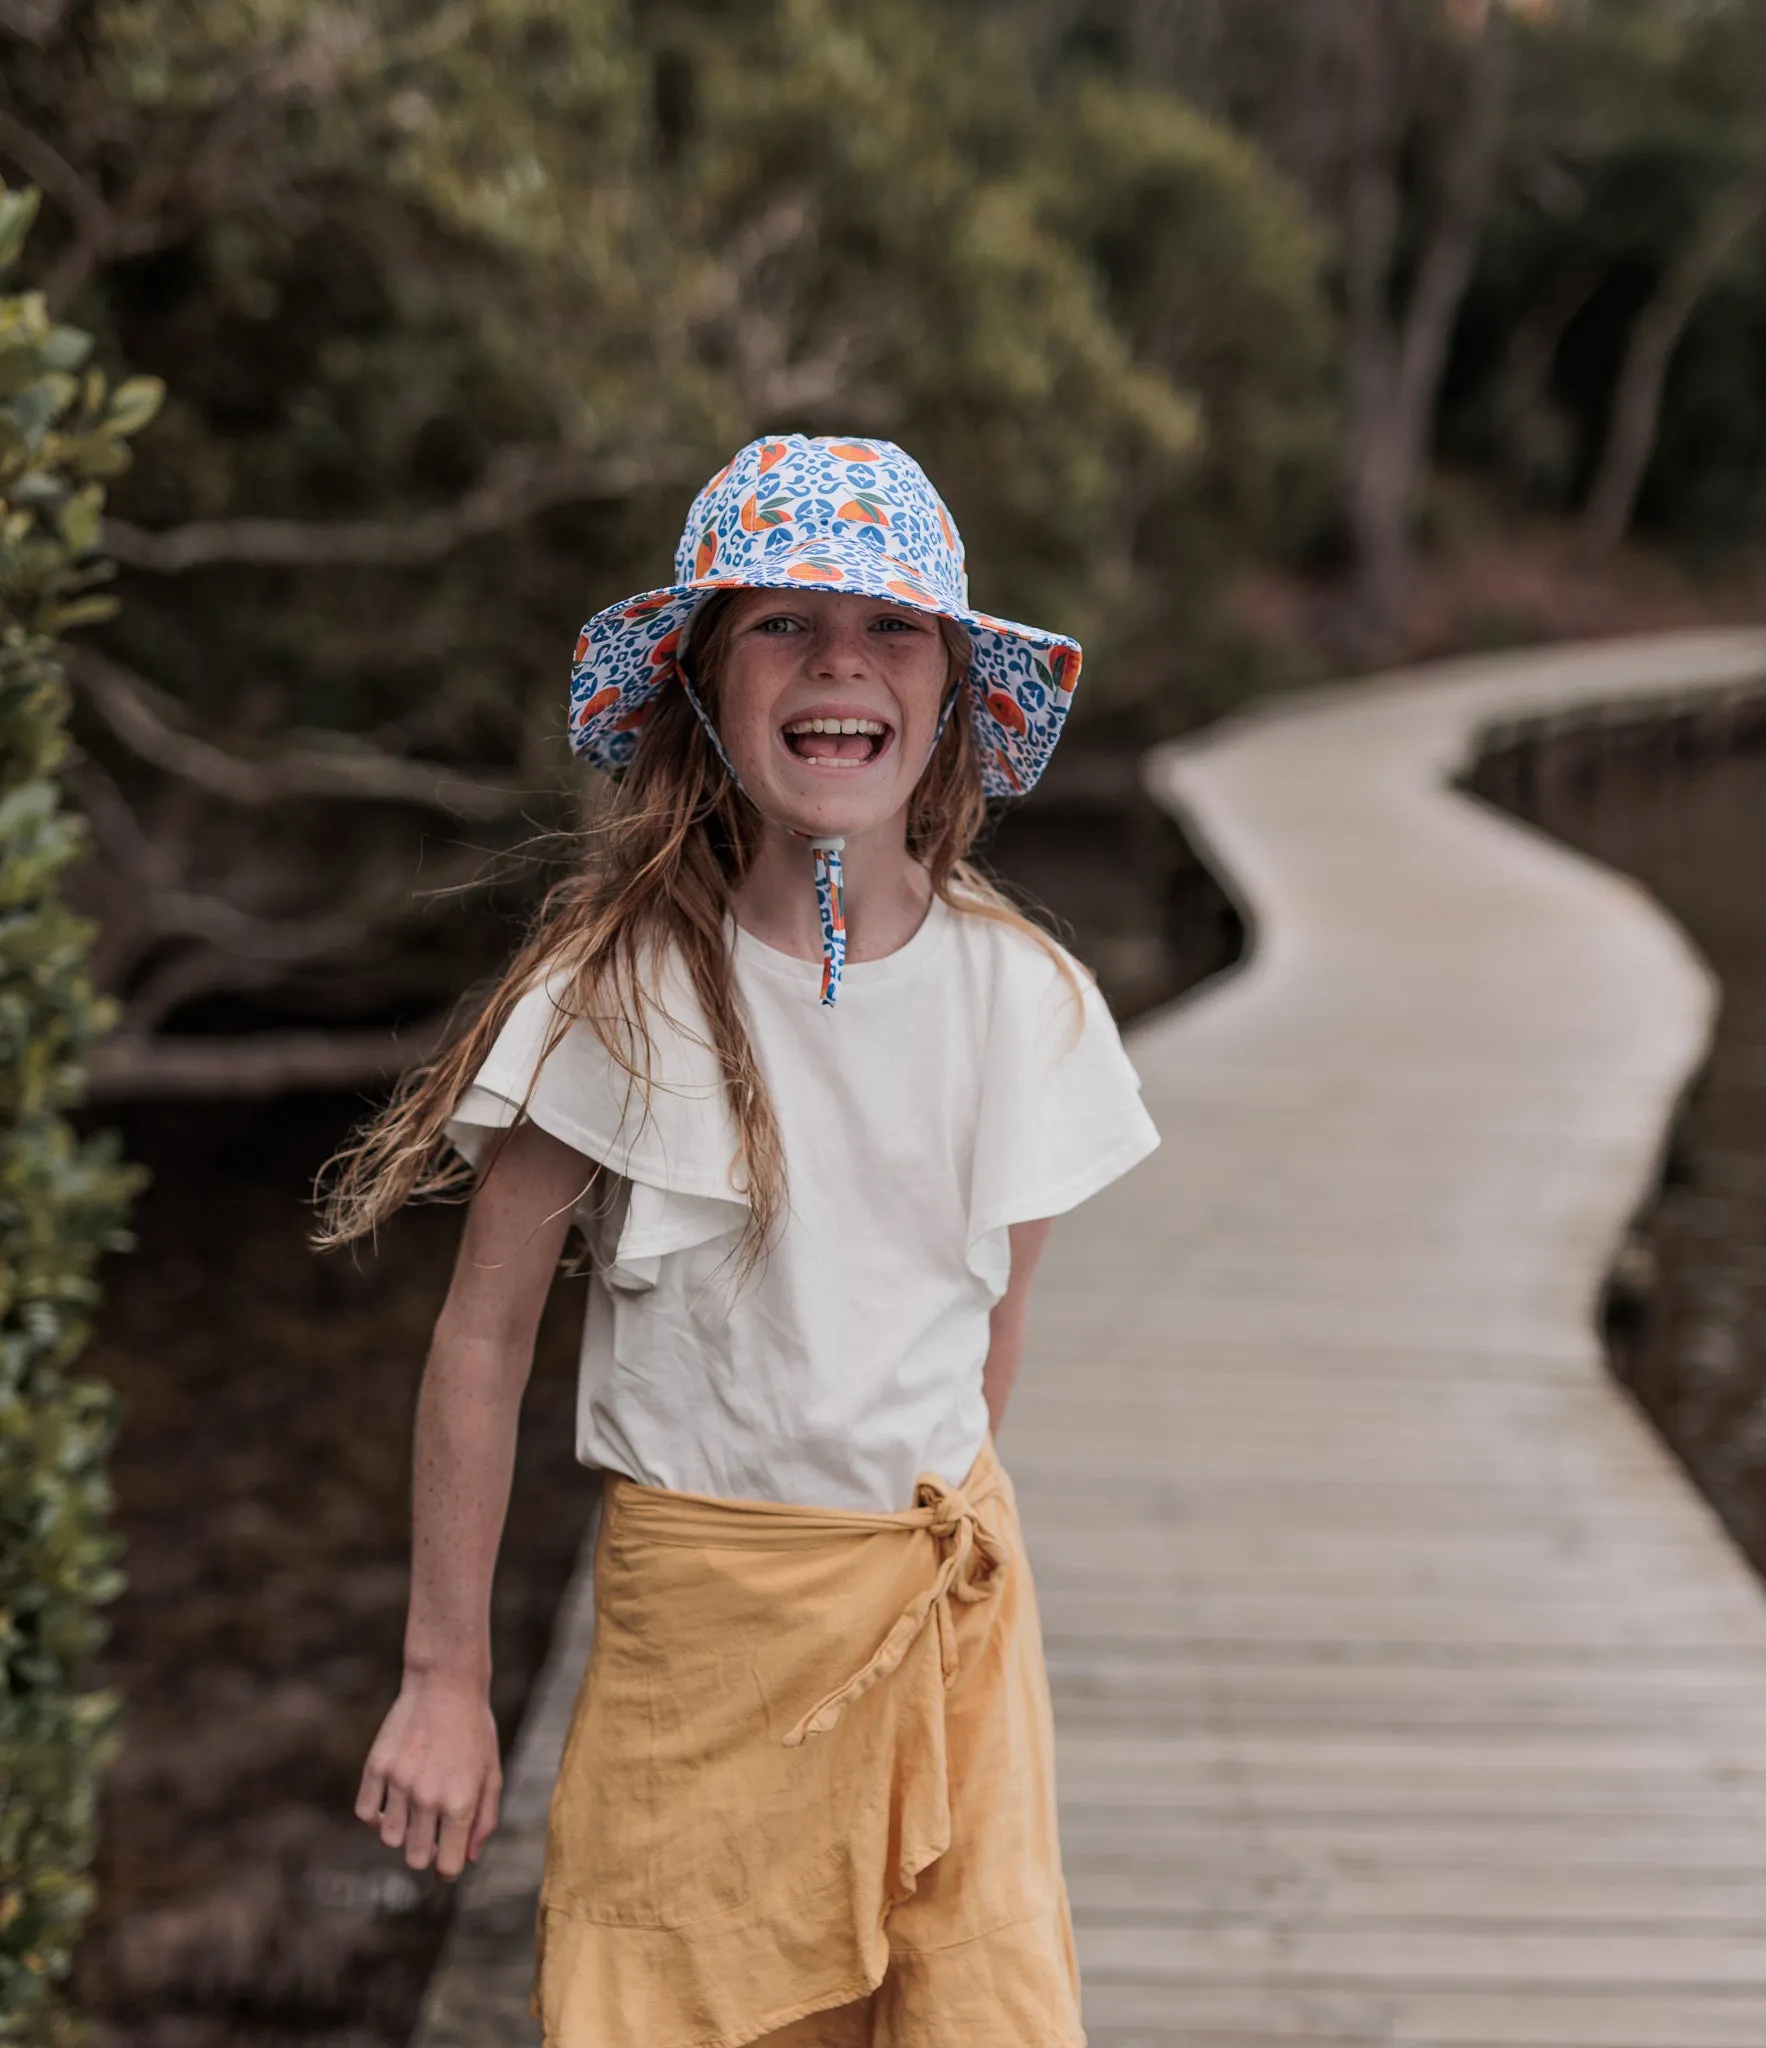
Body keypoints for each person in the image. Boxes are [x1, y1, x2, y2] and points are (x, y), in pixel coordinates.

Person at [319, 434, 1158, 2046]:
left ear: (955, 693)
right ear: (703, 682)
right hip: (697, 1649)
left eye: (890, 627)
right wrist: (444, 1678)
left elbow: (996, 1330)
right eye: (782, 623)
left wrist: (893, 1535)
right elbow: (481, 1342)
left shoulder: (1025, 998)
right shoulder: (618, 989)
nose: (839, 663)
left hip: (940, 1625)